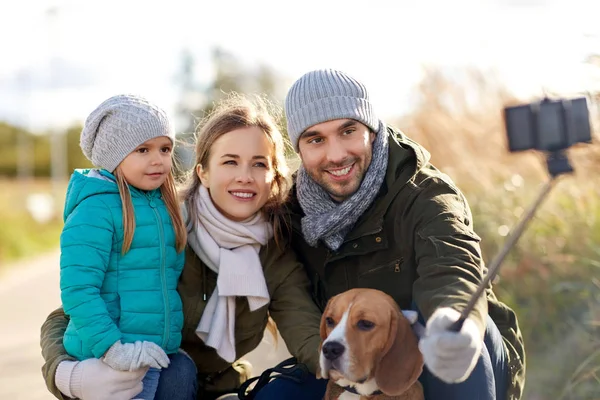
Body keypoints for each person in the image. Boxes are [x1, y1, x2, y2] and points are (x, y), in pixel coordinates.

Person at [251, 69, 526, 400]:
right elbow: (298, 312)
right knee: (275, 396)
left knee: (458, 341)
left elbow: (452, 267)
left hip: (438, 351)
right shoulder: (289, 215)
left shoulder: (425, 193)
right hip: (349, 358)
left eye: (348, 131)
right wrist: (345, 375)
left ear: (371, 129)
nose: (336, 155)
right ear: (300, 147)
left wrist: (455, 320)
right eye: (316, 139)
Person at [40, 94, 323, 400]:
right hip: (143, 380)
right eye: (230, 161)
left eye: (259, 164)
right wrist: (67, 375)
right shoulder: (166, 225)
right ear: (202, 171)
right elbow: (68, 313)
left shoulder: (274, 250)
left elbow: (303, 327)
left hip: (217, 387)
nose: (245, 177)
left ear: (273, 175)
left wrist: (343, 369)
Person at [53, 94, 190, 400]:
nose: (158, 159)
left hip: (153, 353)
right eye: (143, 149)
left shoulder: (166, 209)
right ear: (114, 155)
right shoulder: (96, 210)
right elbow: (79, 290)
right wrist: (112, 349)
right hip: (108, 361)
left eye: (165, 149)